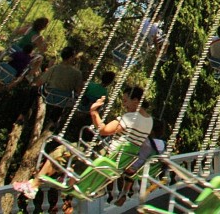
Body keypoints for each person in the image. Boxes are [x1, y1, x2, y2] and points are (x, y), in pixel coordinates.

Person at [13, 86, 153, 200]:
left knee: (59, 151)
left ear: (136, 100)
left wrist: (94, 112)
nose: (124, 105)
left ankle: (33, 186)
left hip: (106, 154)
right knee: (69, 157)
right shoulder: (149, 120)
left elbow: (104, 130)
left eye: (125, 101)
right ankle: (41, 182)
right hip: (117, 160)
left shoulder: (131, 117)